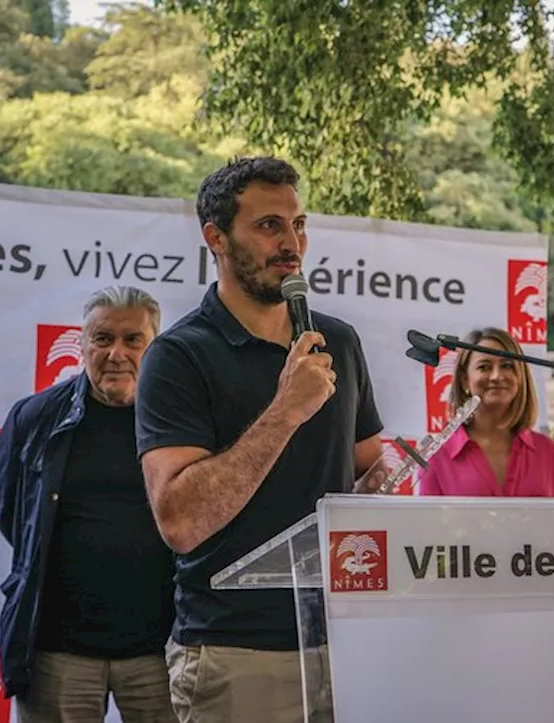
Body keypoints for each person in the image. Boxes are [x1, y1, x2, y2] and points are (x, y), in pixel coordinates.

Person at [134, 156, 385, 723]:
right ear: (215, 238)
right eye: (268, 225)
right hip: (235, 651)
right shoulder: (178, 356)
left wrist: (397, 478)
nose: (291, 243)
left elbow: (369, 467)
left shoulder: (337, 342)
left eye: (297, 225)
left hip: (347, 644)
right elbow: (180, 520)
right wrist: (285, 411)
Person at [0, 285, 177, 723]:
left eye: (133, 339)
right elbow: (11, 511)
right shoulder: (34, 418)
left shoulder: (182, 421)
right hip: (59, 650)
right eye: (102, 338)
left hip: (163, 649)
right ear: (82, 344)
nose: (116, 353)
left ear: (156, 345)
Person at [417, 327, 554, 498]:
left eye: (507, 366)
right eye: (484, 367)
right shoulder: (436, 457)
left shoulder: (548, 453)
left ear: (520, 376)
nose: (496, 376)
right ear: (464, 380)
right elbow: (427, 523)